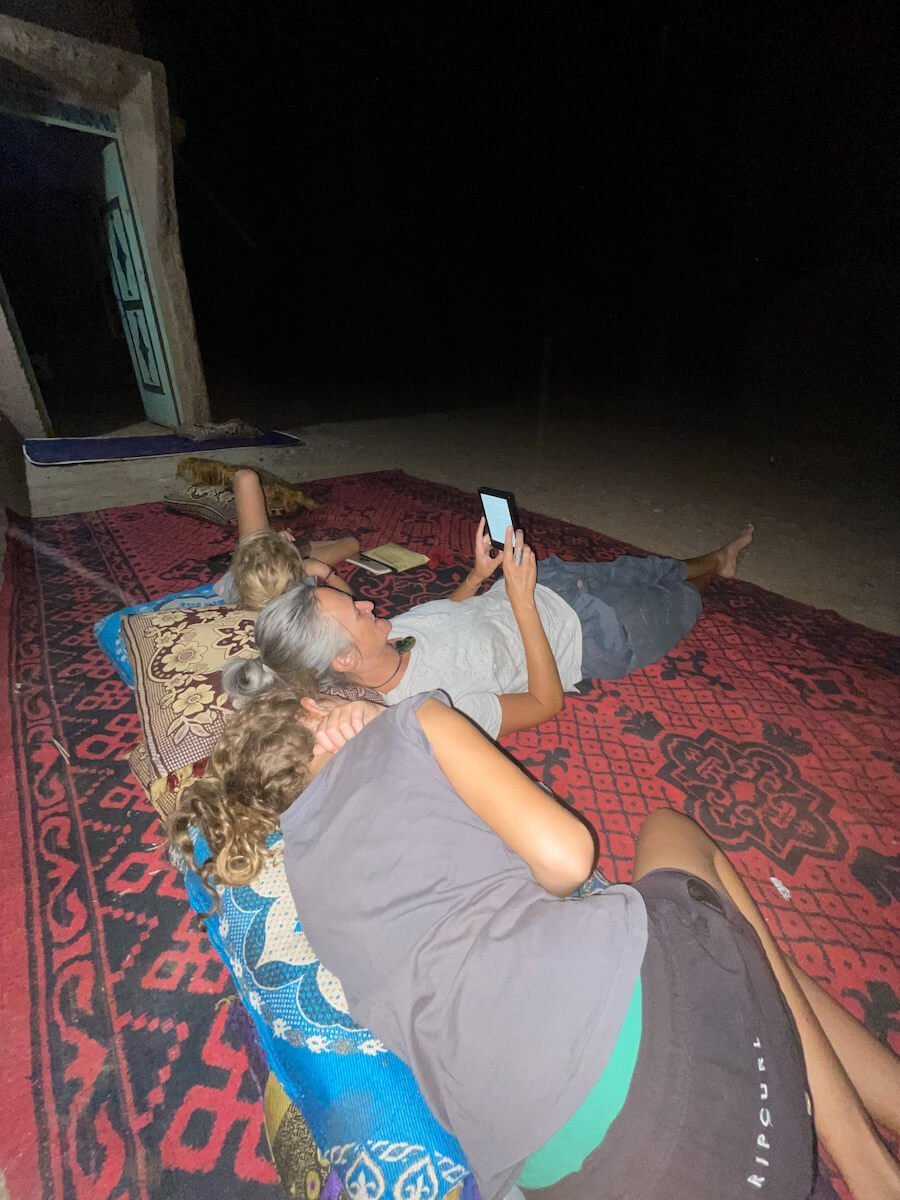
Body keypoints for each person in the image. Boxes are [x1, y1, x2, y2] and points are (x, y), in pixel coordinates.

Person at [172, 685, 900, 1200]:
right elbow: (567, 858)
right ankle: (874, 1174)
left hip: (585, 1182)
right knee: (672, 841)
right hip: (695, 1089)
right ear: (317, 707)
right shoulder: (407, 723)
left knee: (724, 944)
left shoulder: (304, 884)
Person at [226, 516, 755, 736]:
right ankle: (713, 575)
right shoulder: (431, 706)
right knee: (678, 600)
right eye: (354, 614)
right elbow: (546, 704)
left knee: (642, 569)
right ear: (344, 660)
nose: (365, 604)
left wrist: (479, 576)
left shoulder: (386, 638)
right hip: (591, 637)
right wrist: (522, 606)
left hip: (543, 585)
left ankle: (714, 558)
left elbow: (447, 615)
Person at [219, 467, 360, 609]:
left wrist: (272, 544)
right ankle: (304, 547)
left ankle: (298, 547)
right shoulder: (301, 590)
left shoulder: (246, 581)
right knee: (352, 544)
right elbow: (353, 606)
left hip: (262, 563)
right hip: (286, 567)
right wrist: (324, 572)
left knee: (246, 477)